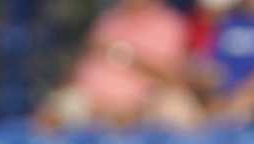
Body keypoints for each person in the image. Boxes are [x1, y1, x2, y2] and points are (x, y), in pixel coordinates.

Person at [35, 0, 193, 131]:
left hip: (145, 104)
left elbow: (171, 75)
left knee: (178, 109)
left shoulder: (168, 23)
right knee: (57, 108)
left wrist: (125, 55)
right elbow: (87, 61)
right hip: (94, 101)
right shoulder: (110, 19)